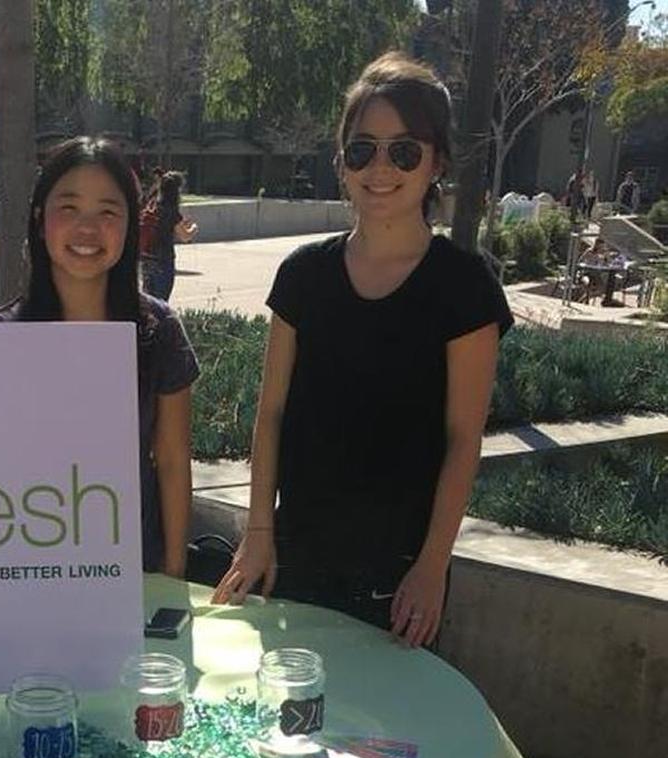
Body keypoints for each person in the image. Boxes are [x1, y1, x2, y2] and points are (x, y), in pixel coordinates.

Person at [211, 52, 513, 648]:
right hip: (298, 552)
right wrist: (258, 532)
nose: (381, 167)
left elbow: (463, 440)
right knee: (291, 726)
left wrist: (431, 567)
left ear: (437, 162)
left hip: (400, 571)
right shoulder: (302, 276)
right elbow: (270, 414)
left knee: (388, 737)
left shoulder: (465, 286)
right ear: (342, 163)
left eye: (404, 150)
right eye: (362, 149)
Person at [0, 137, 200, 577]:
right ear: (39, 218)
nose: (87, 229)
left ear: (131, 223)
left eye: (107, 211)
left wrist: (175, 576)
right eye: (68, 208)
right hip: (27, 573)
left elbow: (174, 461)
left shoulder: (158, 332)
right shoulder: (0, 339)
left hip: (132, 576)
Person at [140, 171, 198, 302]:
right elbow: (185, 237)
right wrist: (194, 228)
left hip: (147, 259)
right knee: (161, 304)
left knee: (148, 302)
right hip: (163, 260)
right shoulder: (171, 210)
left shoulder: (152, 205)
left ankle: (145, 323)